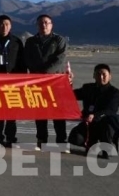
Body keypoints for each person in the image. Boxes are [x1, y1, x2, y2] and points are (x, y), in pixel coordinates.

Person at [24, 14, 69, 151]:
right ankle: (41, 140)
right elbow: (28, 59)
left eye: (46, 22)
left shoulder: (59, 40)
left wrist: (45, 73)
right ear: (37, 25)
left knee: (58, 114)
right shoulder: (31, 41)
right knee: (40, 113)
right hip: (38, 83)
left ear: (51, 24)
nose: (43, 25)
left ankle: (61, 142)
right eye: (40, 23)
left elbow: (60, 59)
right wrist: (37, 74)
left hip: (56, 82)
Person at [0, 15, 26, 147]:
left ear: (11, 26)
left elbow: (22, 63)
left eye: (7, 24)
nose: (4, 26)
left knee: (12, 112)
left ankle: (11, 137)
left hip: (13, 83)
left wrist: (22, 81)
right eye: (1, 24)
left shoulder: (17, 42)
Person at [68, 64, 119, 159]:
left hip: (105, 124)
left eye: (104, 74)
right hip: (90, 124)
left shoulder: (115, 93)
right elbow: (70, 95)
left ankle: (107, 146)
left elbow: (110, 110)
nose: (101, 77)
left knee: (107, 130)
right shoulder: (88, 88)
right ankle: (91, 144)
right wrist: (69, 81)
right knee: (74, 137)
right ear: (94, 76)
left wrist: (95, 115)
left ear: (110, 76)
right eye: (98, 74)